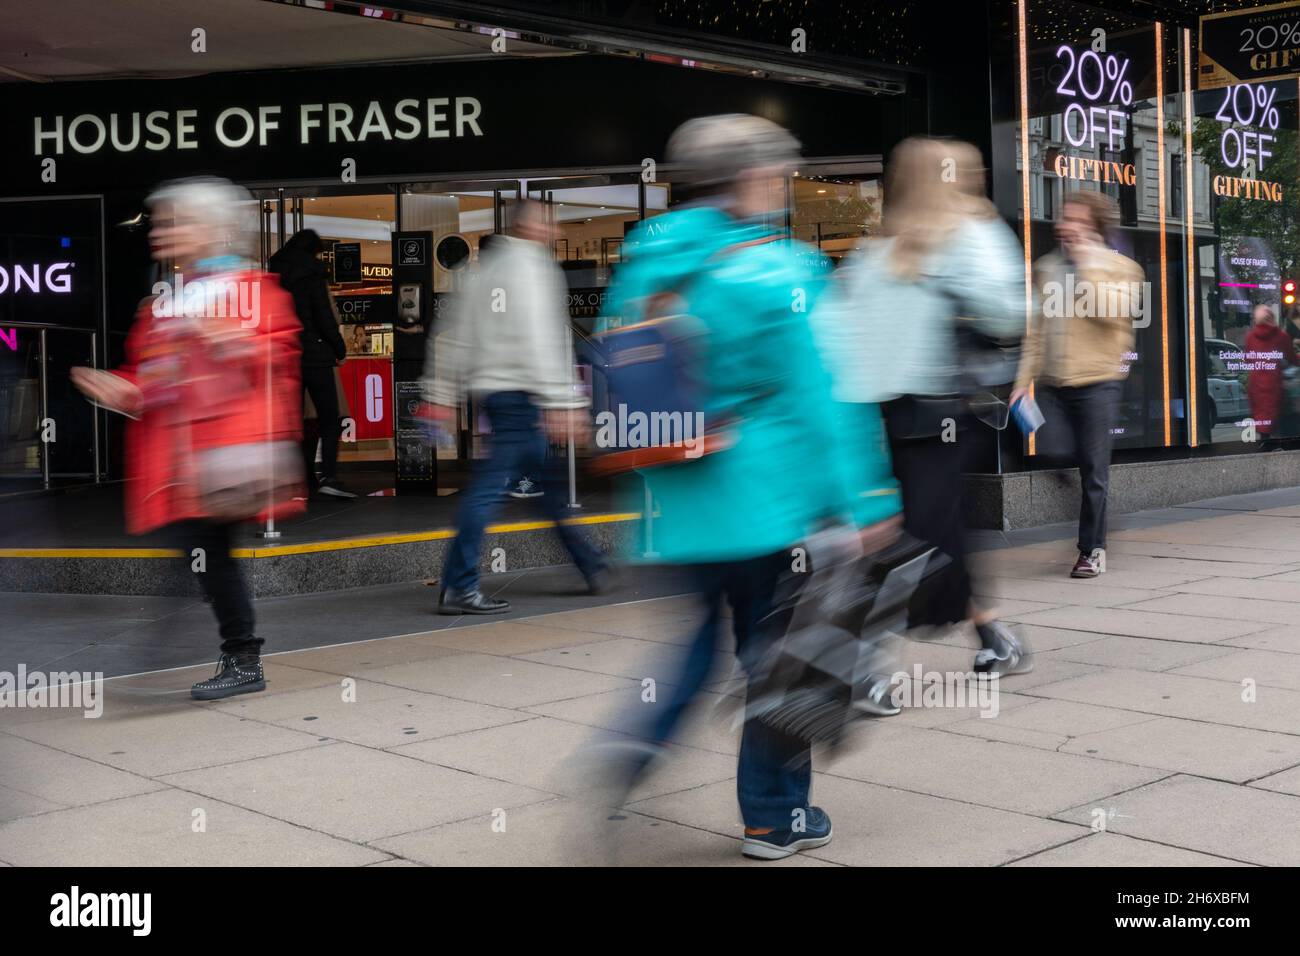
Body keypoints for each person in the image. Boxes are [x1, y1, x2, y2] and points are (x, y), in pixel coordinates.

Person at [594, 114, 901, 861]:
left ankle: (636, 742)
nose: (781, 187)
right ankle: (774, 816)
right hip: (771, 505)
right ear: (753, 178)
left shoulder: (644, 263)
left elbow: (623, 382)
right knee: (780, 657)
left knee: (697, 641)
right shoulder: (783, 270)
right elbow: (825, 400)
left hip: (673, 505)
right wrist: (864, 499)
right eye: (777, 175)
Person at [70, 177, 304, 700]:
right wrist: (122, 390)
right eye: (161, 222)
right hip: (185, 465)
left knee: (207, 552)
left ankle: (236, 655)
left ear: (214, 229)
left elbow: (278, 358)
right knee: (202, 553)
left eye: (175, 222)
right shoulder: (166, 301)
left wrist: (232, 342)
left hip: (223, 457)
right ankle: (215, 652)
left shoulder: (250, 289)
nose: (161, 231)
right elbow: (154, 378)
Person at [835, 136, 1032, 675]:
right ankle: (982, 634)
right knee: (928, 534)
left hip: (891, 413)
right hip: (947, 410)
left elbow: (847, 338)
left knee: (921, 531)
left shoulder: (875, 249)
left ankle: (872, 661)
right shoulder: (971, 234)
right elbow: (1008, 313)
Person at [422, 202, 609, 614]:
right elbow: (544, 340)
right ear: (526, 226)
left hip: (496, 394)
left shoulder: (484, 271)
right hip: (522, 396)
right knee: (489, 491)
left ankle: (589, 561)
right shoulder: (535, 268)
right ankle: (459, 585)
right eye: (546, 221)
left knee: (546, 486)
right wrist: (564, 401)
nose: (553, 228)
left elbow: (456, 336)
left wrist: (441, 393)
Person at [1012, 190, 1144, 579]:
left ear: (1093, 226)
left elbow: (1114, 315)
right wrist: (1022, 382)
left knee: (1093, 469)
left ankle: (1092, 550)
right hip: (1053, 382)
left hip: (1099, 381)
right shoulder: (1046, 268)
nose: (1064, 225)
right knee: (1051, 451)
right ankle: (1089, 507)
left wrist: (1088, 266)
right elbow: (1036, 332)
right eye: (1064, 216)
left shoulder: (1122, 268)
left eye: (1074, 219)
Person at [269, 228, 355, 499]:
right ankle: (329, 475)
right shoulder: (314, 274)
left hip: (287, 356)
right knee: (328, 418)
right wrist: (340, 349)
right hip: (316, 356)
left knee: (295, 421)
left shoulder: (275, 273)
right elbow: (324, 318)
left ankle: (298, 478)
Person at [1244, 303, 1297, 446]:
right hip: (1274, 385)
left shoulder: (1250, 337)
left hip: (1256, 386)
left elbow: (1248, 358)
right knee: (1278, 421)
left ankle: (1265, 443)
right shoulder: (1281, 336)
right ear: (1272, 318)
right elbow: (1292, 358)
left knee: (1263, 423)